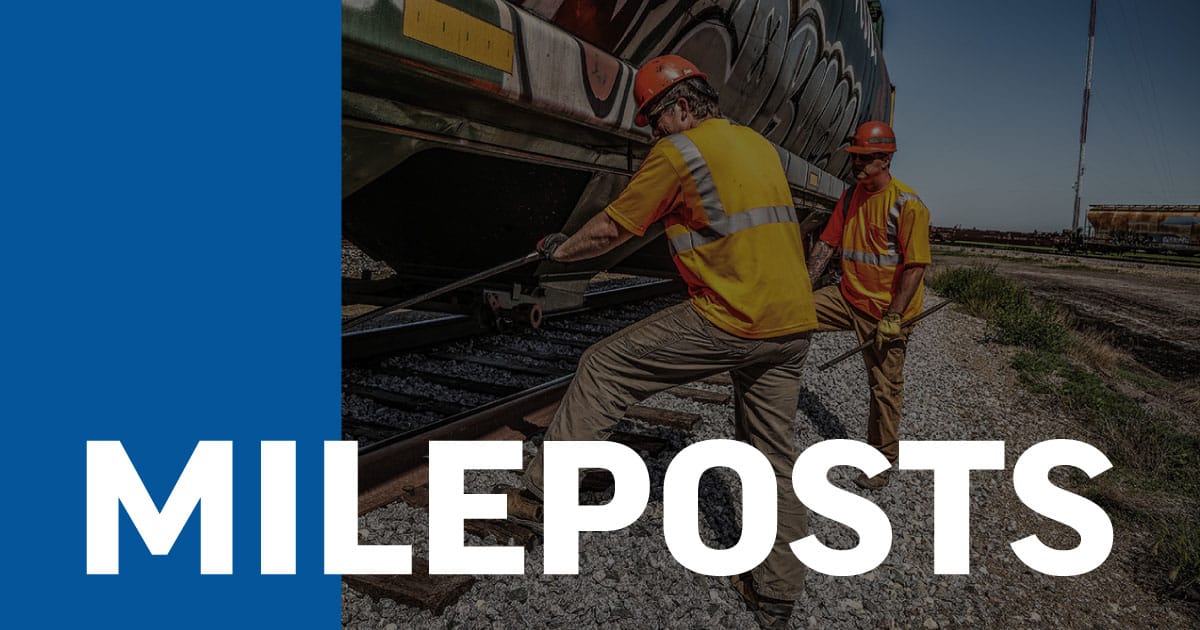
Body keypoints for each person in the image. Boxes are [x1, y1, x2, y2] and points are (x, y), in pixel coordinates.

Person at [506, 54, 817, 629]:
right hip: (792, 325)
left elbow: (611, 229)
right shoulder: (756, 145)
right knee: (772, 456)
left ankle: (540, 497)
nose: (652, 131)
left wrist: (557, 253)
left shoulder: (679, 153)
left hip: (734, 318)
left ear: (679, 107)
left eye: (653, 119)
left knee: (604, 365)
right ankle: (777, 594)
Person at [804, 121, 932, 490]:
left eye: (864, 158)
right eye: (854, 158)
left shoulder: (908, 205)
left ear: (886, 159)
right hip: (847, 298)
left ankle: (882, 459)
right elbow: (826, 245)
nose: (856, 165)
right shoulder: (850, 196)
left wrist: (895, 316)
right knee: (790, 314)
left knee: (884, 387)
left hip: (887, 313)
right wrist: (799, 290)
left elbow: (915, 267)